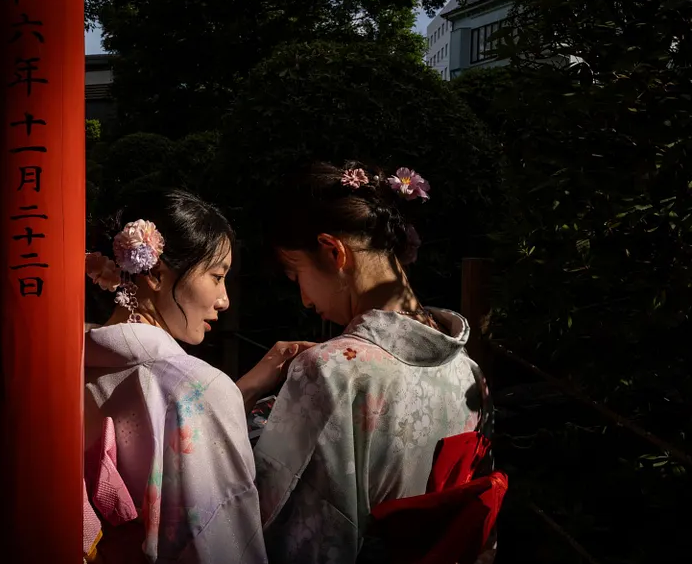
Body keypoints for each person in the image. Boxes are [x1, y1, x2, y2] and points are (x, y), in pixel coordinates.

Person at [250, 162, 492, 564]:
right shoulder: (469, 372)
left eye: (296, 277)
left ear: (333, 251)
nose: (305, 300)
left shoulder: (330, 370)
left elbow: (290, 530)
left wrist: (253, 411)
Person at [82, 190, 267, 563]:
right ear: (154, 273)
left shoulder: (72, 365)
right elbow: (220, 535)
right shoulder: (196, 388)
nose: (224, 299)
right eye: (217, 276)